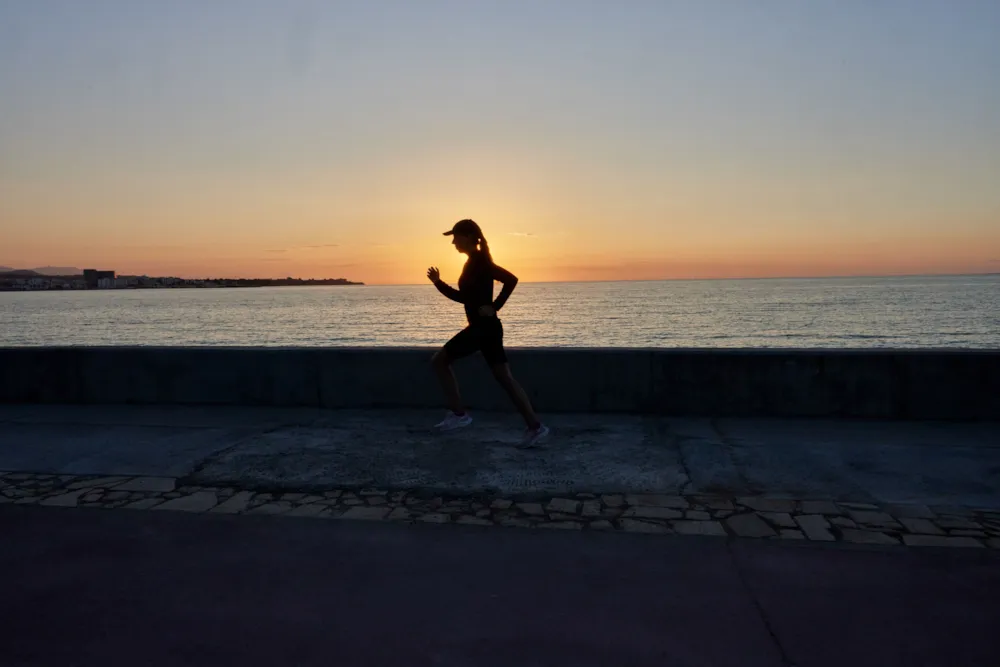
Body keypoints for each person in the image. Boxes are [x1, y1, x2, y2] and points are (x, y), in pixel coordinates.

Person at [426, 219, 549, 447]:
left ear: (468, 237)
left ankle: (459, 415)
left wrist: (495, 305)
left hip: (483, 329)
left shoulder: (480, 262)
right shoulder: (473, 262)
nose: (453, 242)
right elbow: (464, 298)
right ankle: (536, 427)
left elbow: (511, 279)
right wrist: (438, 283)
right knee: (505, 378)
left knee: (439, 361)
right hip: (487, 329)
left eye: (456, 237)